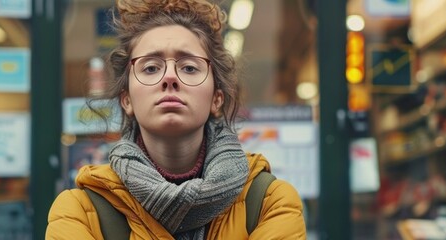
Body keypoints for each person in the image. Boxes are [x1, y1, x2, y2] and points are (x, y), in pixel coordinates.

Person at [46, 0, 306, 239]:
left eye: (189, 67)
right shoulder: (80, 210)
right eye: (150, 67)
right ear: (126, 100)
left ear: (216, 98)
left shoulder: (268, 201)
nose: (169, 77)